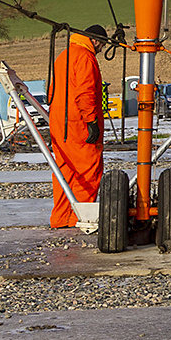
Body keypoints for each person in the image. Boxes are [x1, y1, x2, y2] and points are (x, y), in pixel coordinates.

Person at [47, 24, 108, 229]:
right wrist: (91, 121)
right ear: (96, 41)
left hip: (59, 123)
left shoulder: (65, 54)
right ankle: (80, 218)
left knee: (65, 170)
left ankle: (61, 218)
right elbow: (85, 92)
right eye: (102, 45)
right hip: (78, 123)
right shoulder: (85, 57)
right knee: (88, 170)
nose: (100, 50)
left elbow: (52, 91)